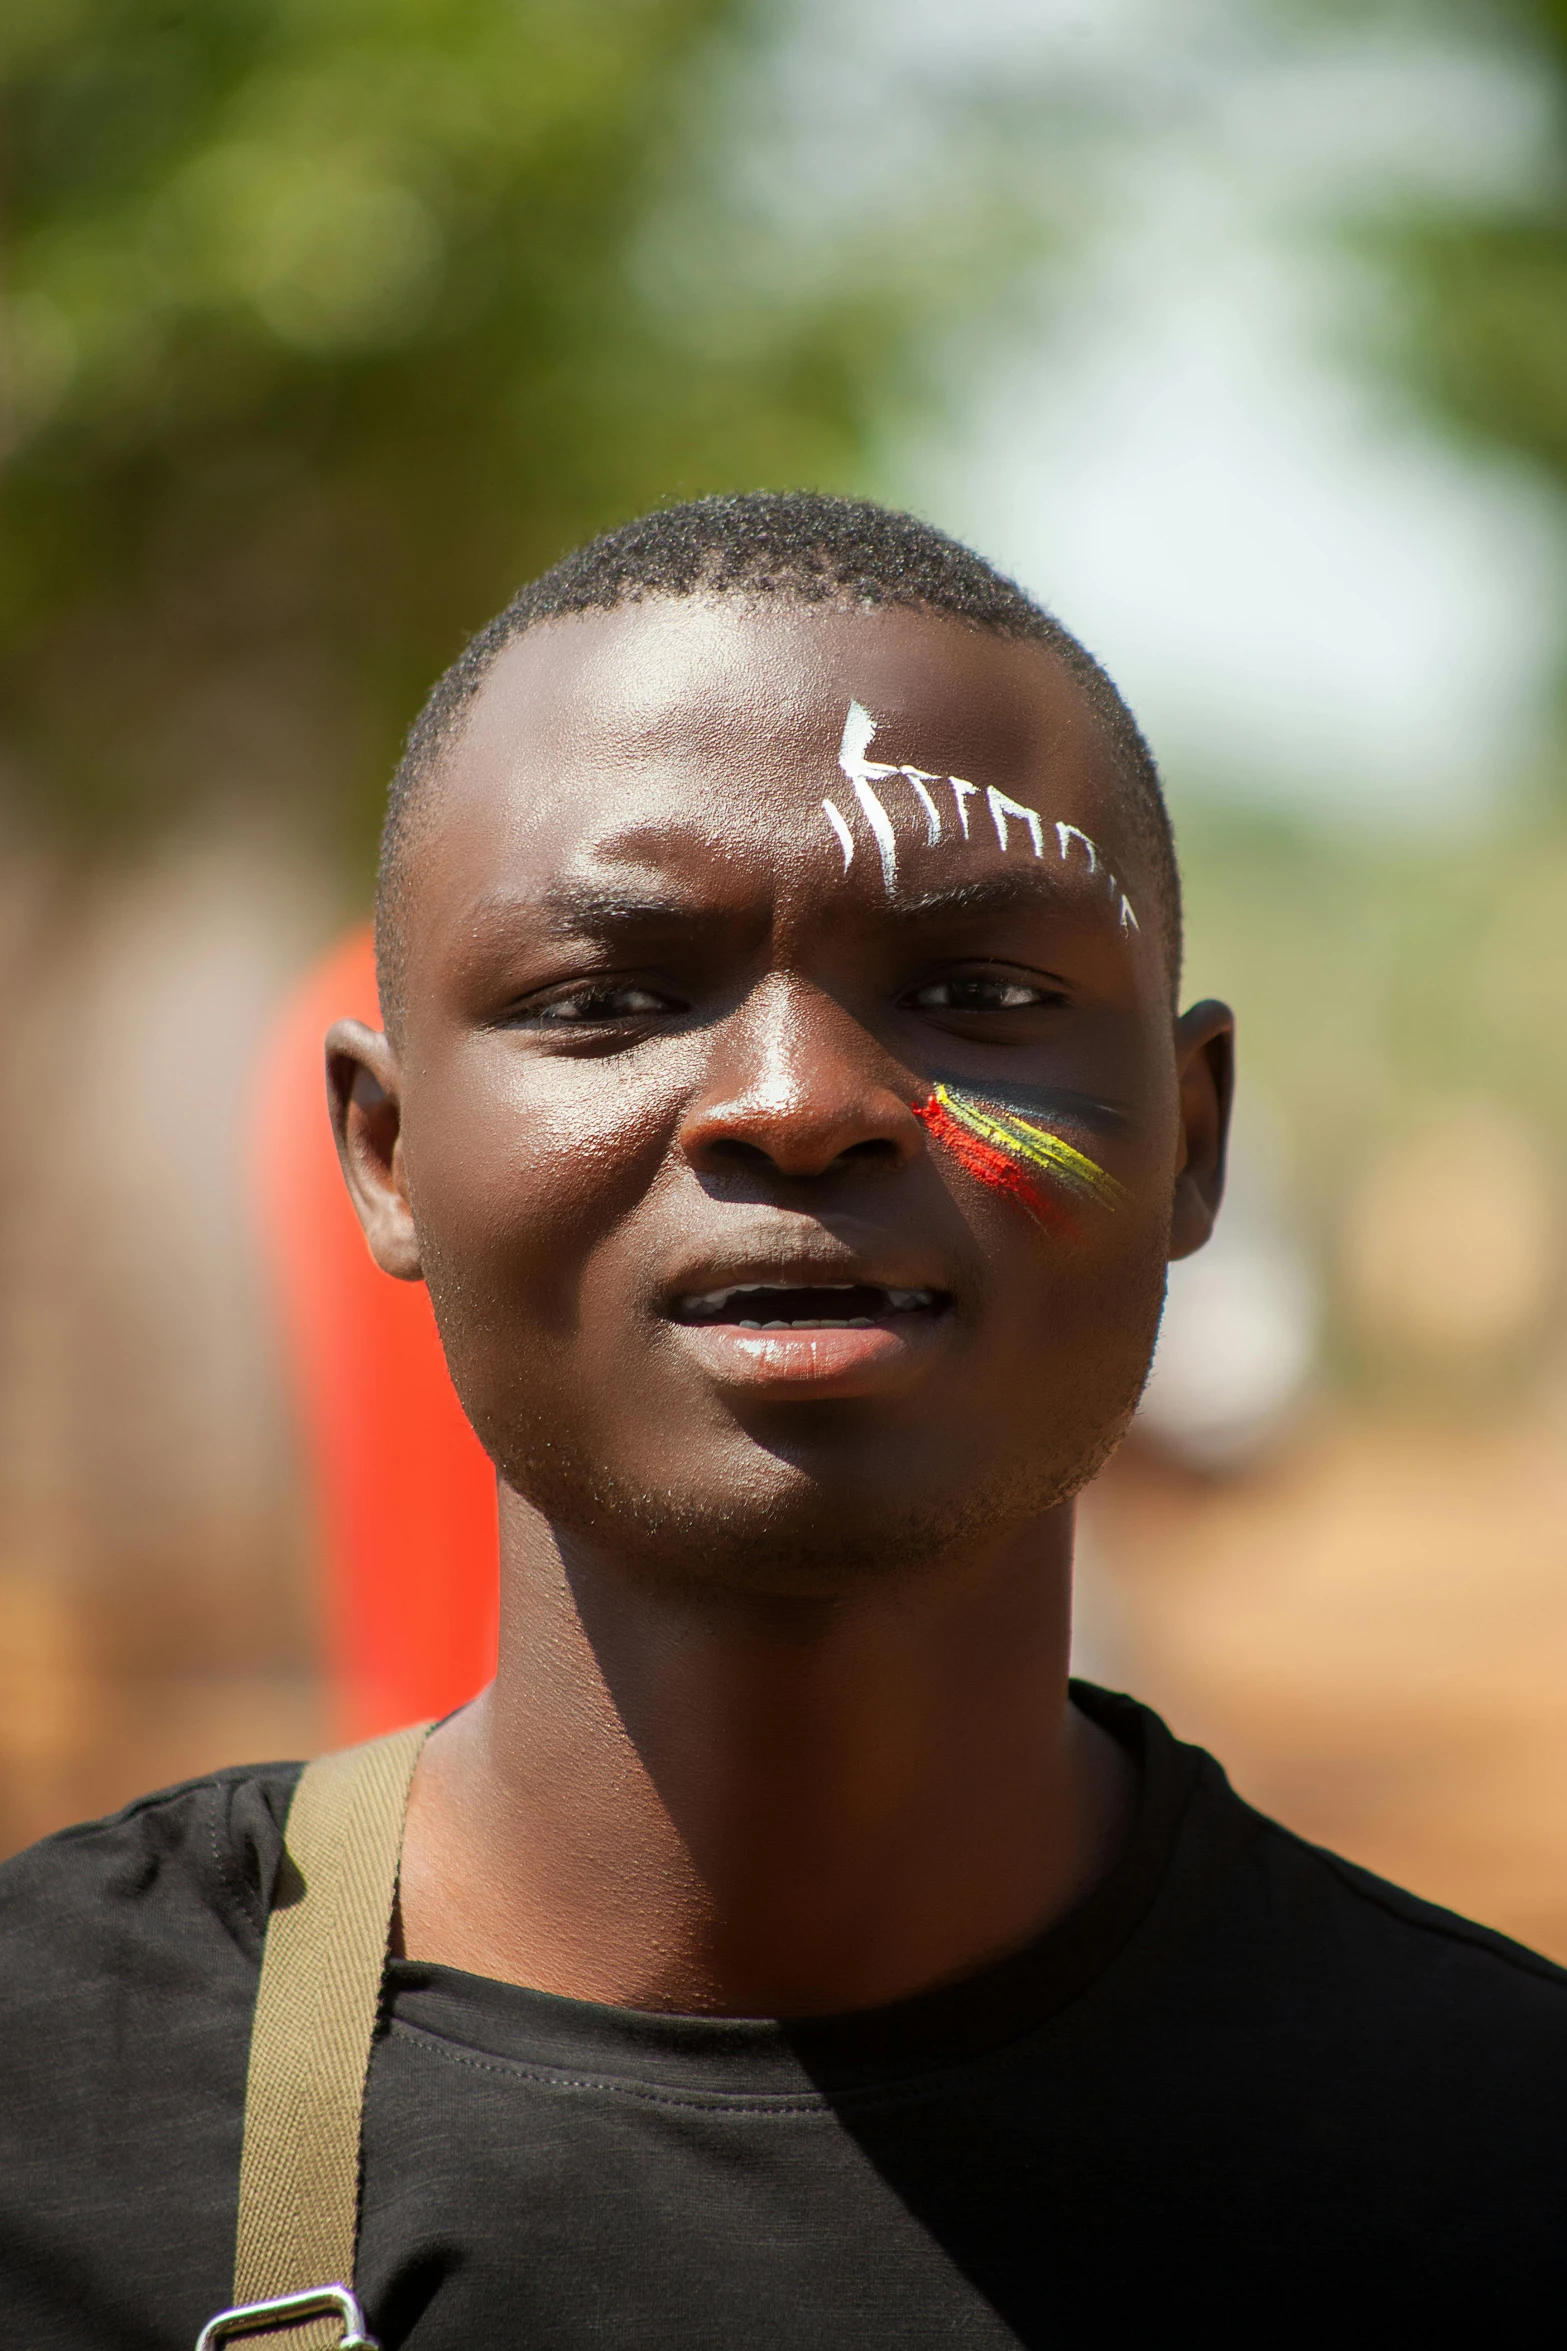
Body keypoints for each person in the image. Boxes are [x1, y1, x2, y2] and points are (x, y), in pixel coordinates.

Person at [2, 492, 1564, 2348]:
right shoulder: (48, 2127)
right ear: (389, 1151)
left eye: (977, 991)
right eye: (607, 997)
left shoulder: (1491, 2166)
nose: (794, 1100)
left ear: (1193, 1136)